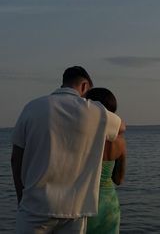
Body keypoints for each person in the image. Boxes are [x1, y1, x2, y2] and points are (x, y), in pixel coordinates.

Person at [11, 66, 125, 234]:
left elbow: (16, 159)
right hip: (75, 210)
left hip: (35, 207)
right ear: (85, 86)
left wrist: (22, 197)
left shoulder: (32, 107)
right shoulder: (92, 111)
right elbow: (121, 127)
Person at [85, 88, 126, 234]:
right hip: (110, 204)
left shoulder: (86, 139)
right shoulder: (120, 141)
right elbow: (119, 179)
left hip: (87, 202)